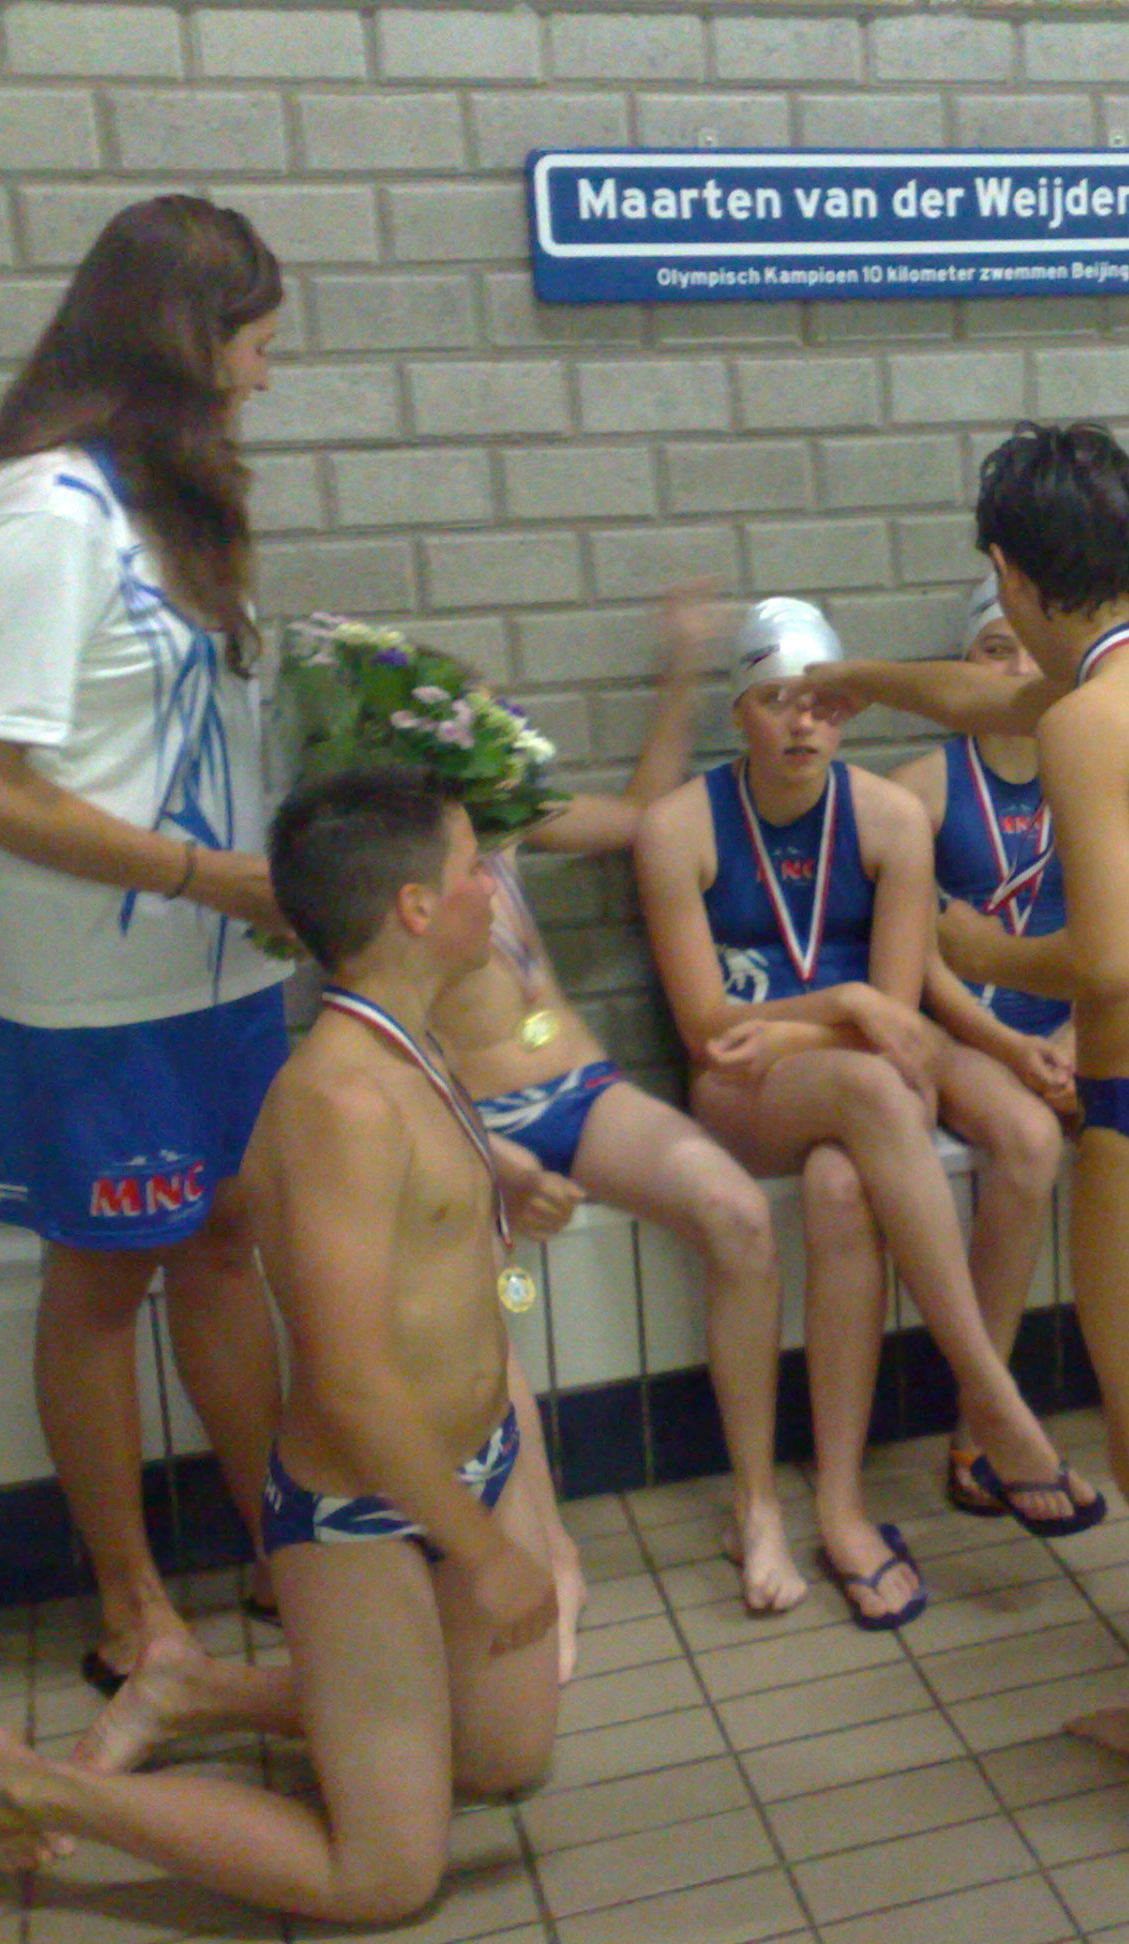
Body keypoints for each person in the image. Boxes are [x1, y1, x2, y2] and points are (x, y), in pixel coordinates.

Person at [805, 424, 1129, 1920]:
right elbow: (995, 696)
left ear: (1011, 573)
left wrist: (979, 945)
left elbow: (1103, 957)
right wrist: (865, 682)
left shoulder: (1094, 728)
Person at [0, 770, 575, 1923]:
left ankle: (195, 1691)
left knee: (502, 1758)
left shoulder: (413, 1042)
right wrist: (480, 1550)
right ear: (413, 908)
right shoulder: (337, 1101)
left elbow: (419, 1188)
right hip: (365, 1511)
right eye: (470, 871)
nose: (492, 889)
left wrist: (500, 1177)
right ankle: (36, 1788)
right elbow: (348, 1383)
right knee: (384, 1877)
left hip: (468, 1468)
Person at [0, 195, 296, 1693]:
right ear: (179, 342)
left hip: (224, 969)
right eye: (251, 342)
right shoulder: (42, 513)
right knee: (100, 1283)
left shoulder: (168, 504)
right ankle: (131, 1603)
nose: (264, 372)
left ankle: (279, 1542)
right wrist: (207, 873)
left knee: (224, 1243)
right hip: (92, 996)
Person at [635, 598, 1094, 1632]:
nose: (801, 724)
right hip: (745, 1093)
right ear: (739, 714)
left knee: (844, 1186)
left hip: (850, 1078)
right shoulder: (679, 829)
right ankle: (991, 1396)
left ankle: (841, 1513)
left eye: (820, 705)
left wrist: (805, 1025)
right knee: (875, 1088)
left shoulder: (888, 819)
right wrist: (840, 1004)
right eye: (773, 703)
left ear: (845, 713)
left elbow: (899, 1019)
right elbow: (707, 1029)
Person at [432, 581, 802, 1627]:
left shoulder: (512, 819)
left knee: (738, 1216)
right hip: (471, 1125)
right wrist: (487, 1156)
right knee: (482, 1303)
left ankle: (757, 1506)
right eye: (473, 729)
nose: (495, 749)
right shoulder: (388, 863)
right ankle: (549, 1550)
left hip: (581, 1092)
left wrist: (679, 671)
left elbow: (644, 820)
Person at [885, 578, 1077, 1518]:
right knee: (1030, 1142)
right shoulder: (919, 789)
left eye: (1031, 647)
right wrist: (1006, 1043)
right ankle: (983, 1417)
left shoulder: (1091, 773)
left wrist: (1076, 1036)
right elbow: (914, 961)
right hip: (963, 1030)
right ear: (963, 668)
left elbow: (1122, 934)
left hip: (1069, 1029)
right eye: (996, 649)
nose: (1017, 667)